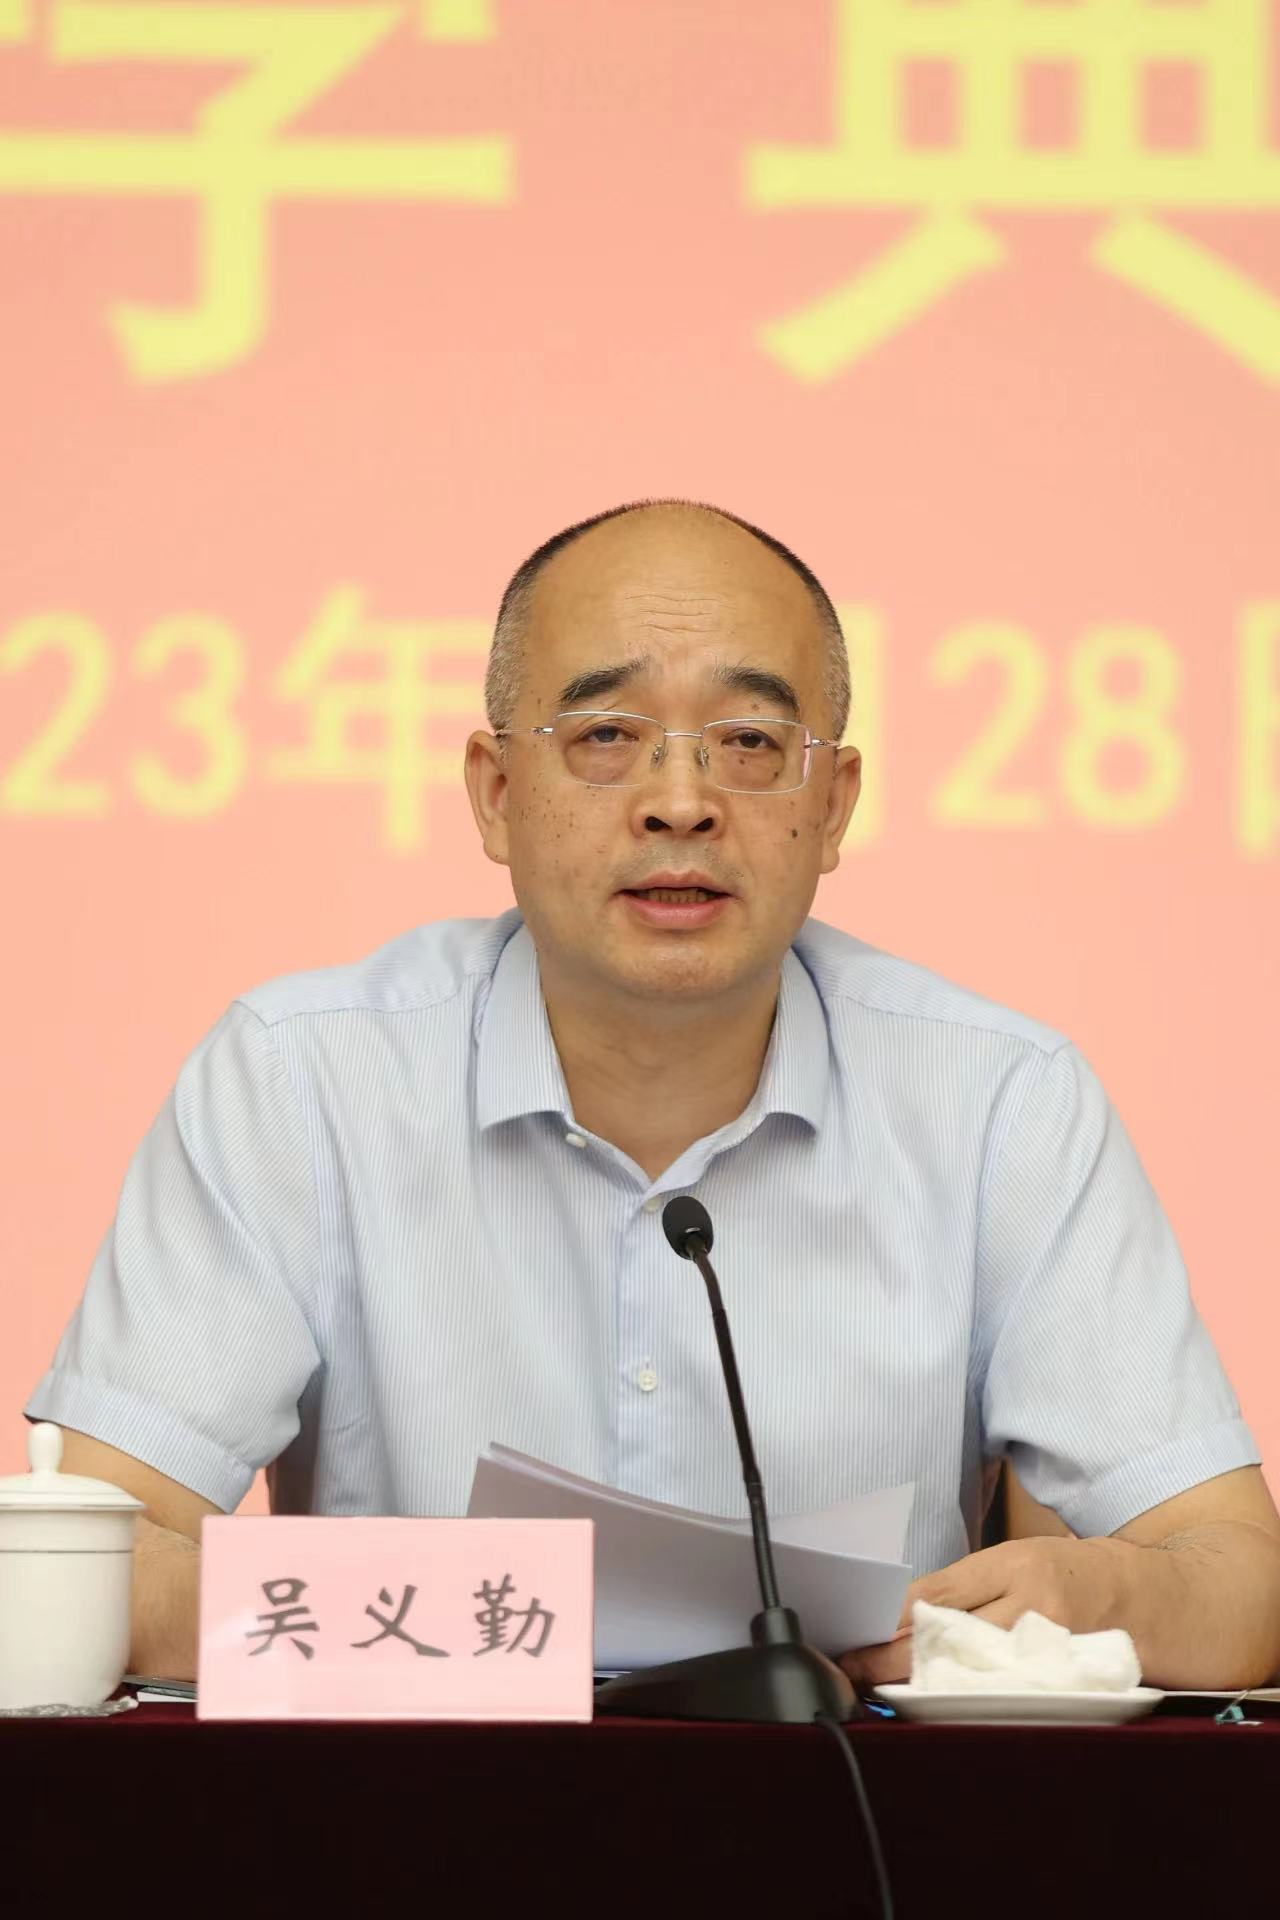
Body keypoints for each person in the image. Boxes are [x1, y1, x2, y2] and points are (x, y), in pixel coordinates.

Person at [25, 500, 1280, 1687]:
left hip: (852, 1815)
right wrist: (499, 1624)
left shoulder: (1001, 1101)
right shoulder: (299, 1080)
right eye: (605, 737)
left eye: (749, 744)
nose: (680, 804)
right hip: (414, 1813)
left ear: (831, 805)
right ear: (496, 795)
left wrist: (1103, 1597)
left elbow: (1242, 1588)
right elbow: (82, 1569)